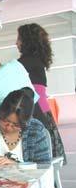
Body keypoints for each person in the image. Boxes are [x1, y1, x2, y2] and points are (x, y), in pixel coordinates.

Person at [17, 23, 66, 163]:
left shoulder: (24, 63)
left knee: (39, 162)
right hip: (43, 112)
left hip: (36, 113)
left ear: (27, 41)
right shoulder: (37, 61)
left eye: (19, 39)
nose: (16, 42)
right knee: (48, 161)